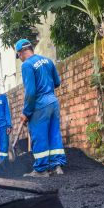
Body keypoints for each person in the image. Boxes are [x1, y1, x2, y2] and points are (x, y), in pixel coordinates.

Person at [15, 39, 66, 177]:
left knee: (40, 136)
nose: (19, 58)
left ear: (21, 52)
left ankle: (41, 170)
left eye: (18, 55)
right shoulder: (47, 61)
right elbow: (57, 82)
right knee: (54, 134)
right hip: (53, 102)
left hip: (40, 105)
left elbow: (30, 92)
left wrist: (26, 112)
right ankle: (57, 167)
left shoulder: (27, 65)